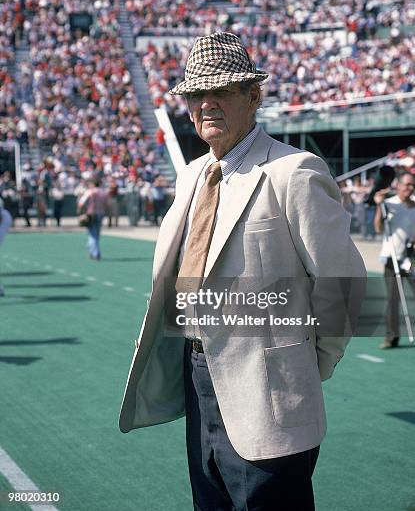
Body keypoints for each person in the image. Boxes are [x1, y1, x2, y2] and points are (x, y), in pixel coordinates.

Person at [119, 32, 366, 511]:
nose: (206, 104)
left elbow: (344, 286)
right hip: (196, 378)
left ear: (253, 96)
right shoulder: (192, 175)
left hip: (272, 393)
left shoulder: (294, 171)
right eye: (196, 94)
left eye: (222, 91)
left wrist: (307, 366)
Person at [374, 171, 415, 349]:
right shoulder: (388, 204)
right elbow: (378, 228)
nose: (410, 188)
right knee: (393, 300)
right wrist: (379, 206)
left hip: (411, 259)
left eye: (412, 185)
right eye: (406, 184)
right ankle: (392, 337)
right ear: (398, 185)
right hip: (392, 258)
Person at [77, 178, 108, 261]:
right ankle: (92, 250)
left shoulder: (90, 192)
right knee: (96, 234)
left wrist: (81, 212)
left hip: (91, 214)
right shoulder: (103, 192)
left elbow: (81, 203)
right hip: (101, 213)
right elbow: (106, 204)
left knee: (92, 234)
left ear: (93, 184)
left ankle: (95, 252)